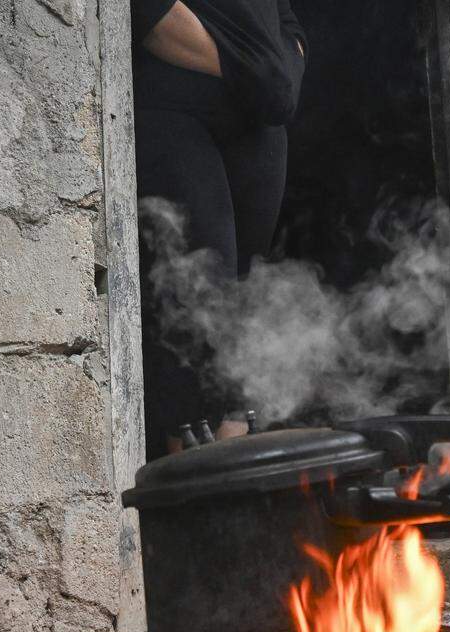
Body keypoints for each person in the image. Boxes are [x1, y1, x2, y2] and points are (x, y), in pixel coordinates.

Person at [131, 1, 306, 458]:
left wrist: (285, 69)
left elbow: (283, 18)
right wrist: (248, 68)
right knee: (194, 292)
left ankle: (233, 500)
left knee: (242, 301)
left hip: (261, 121)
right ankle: (188, 497)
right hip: (176, 105)